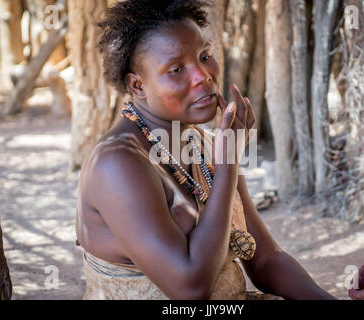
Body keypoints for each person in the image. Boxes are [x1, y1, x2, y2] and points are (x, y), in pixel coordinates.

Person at [75, 0, 335, 300]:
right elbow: (190, 291)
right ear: (138, 86)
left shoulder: (202, 144)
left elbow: (265, 260)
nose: (203, 76)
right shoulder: (118, 164)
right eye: (176, 69)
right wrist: (226, 166)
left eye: (204, 56)